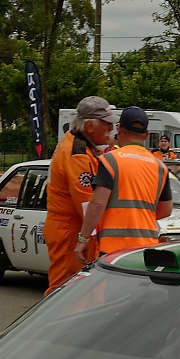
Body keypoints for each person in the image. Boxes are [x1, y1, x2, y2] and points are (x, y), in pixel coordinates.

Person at [78, 105, 172, 263]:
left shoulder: (110, 160)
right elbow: (166, 210)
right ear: (146, 134)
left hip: (113, 248)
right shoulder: (160, 167)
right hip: (146, 248)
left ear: (119, 129)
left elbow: (97, 204)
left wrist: (83, 238)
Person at [45, 97, 115, 289]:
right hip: (71, 232)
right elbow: (87, 204)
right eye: (106, 124)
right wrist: (87, 238)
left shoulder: (81, 146)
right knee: (65, 290)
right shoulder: (78, 154)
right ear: (90, 126)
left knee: (78, 290)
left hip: (71, 229)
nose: (111, 128)